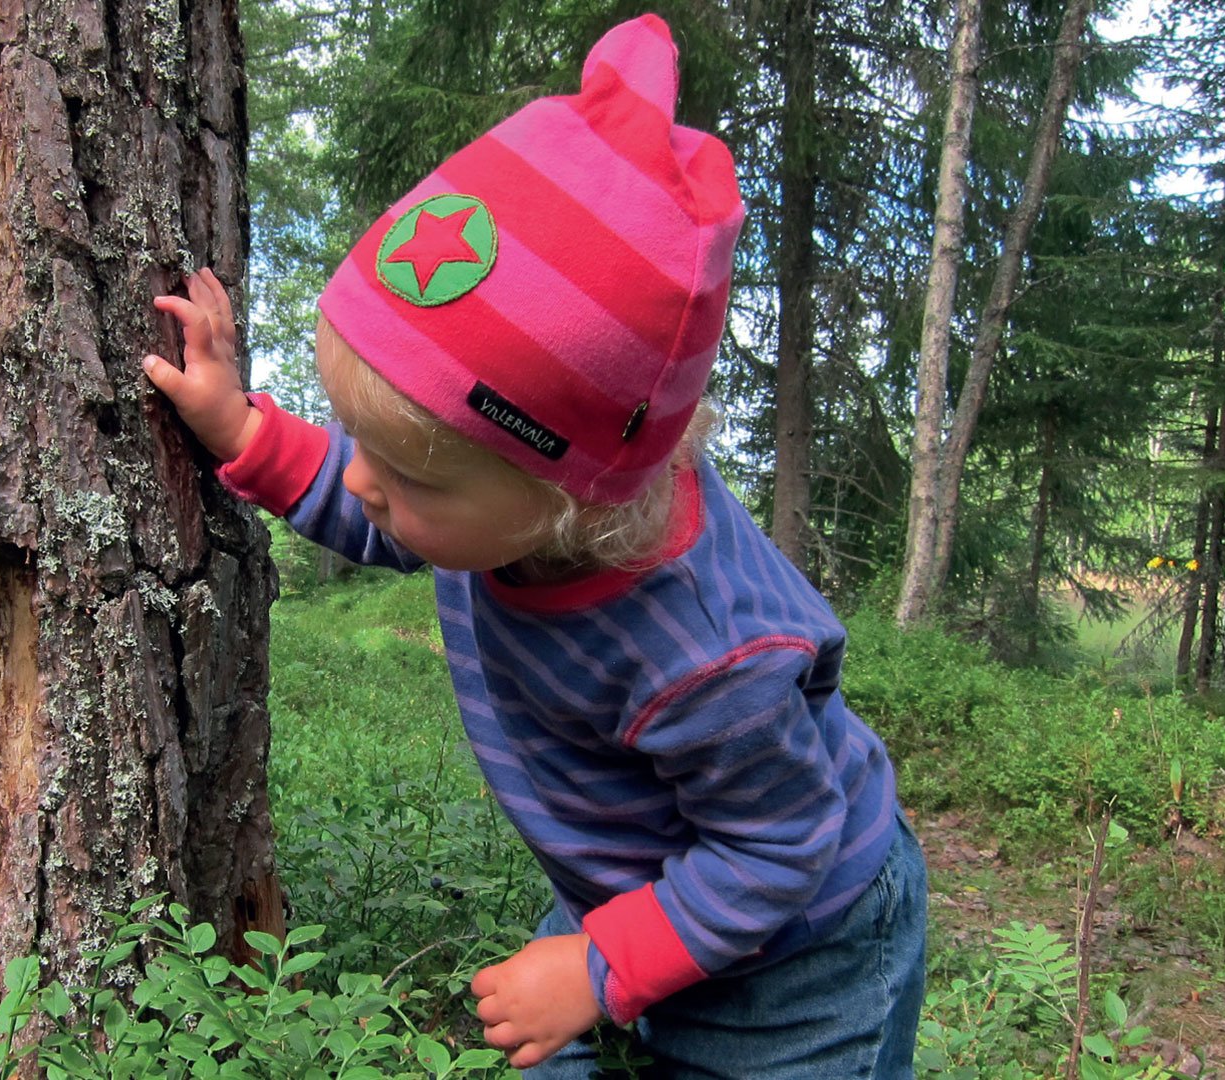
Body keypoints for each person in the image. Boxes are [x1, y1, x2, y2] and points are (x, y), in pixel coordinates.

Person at [141, 14, 926, 1077]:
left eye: (408, 470)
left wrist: (598, 969)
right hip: (638, 886)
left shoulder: (702, 659)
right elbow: (366, 499)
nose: (363, 481)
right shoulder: (508, 510)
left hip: (799, 950)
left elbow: (780, 845)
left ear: (567, 501)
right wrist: (240, 430)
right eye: (364, 441)